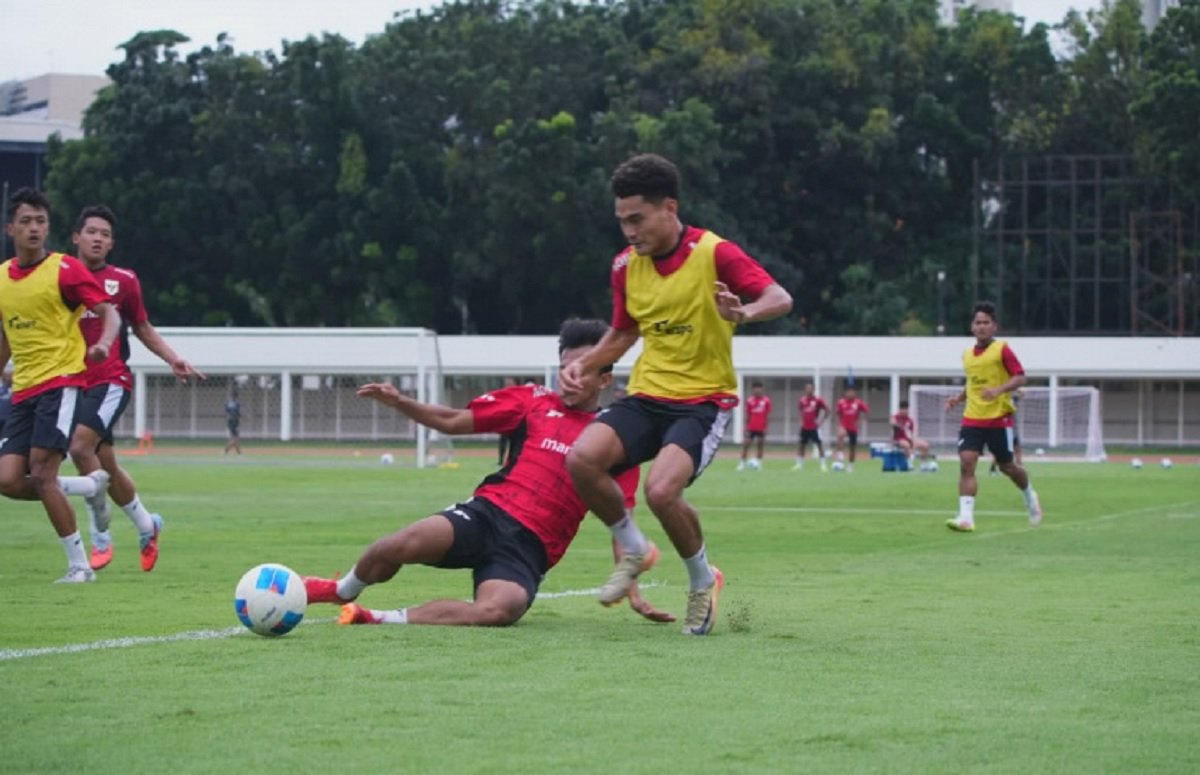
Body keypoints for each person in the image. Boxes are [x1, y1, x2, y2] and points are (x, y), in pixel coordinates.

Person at [303, 318, 673, 627]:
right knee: (395, 546)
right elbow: (452, 421)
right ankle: (341, 590)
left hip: (529, 550)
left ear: (605, 379)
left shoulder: (613, 440)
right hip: (486, 515)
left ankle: (374, 618)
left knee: (498, 611)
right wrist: (401, 401)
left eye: (582, 370)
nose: (569, 377)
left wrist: (633, 588)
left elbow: (620, 521)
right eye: (564, 368)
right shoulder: (531, 402)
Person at [560, 153, 793, 636]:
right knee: (582, 459)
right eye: (622, 221)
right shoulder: (625, 266)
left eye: (637, 219)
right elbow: (624, 334)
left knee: (662, 491)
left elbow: (779, 299)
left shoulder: (715, 253)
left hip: (704, 401)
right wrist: (584, 364)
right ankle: (635, 548)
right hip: (647, 394)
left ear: (669, 207)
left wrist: (742, 314)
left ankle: (702, 581)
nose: (628, 231)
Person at [67, 205, 206, 571]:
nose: (98, 238)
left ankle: (101, 537)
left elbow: (142, 327)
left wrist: (172, 358)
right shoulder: (60, 277)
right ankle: (147, 525)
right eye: (92, 231)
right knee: (106, 466)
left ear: (111, 244)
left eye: (105, 234)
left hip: (111, 380)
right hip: (71, 382)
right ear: (75, 237)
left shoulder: (123, 281)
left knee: (80, 447)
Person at [0, 188, 120, 582]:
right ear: (10, 228)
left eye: (41, 221)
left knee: (42, 470)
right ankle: (89, 486)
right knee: (9, 481)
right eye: (26, 221)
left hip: (61, 382)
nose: (34, 228)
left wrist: (102, 343)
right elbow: (6, 334)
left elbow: (108, 311)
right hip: (23, 390)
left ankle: (80, 566)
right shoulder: (2, 278)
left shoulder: (64, 269)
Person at [944, 301, 1042, 531]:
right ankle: (966, 518)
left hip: (999, 419)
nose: (981, 327)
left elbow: (1021, 378)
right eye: (978, 322)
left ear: (994, 327)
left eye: (986, 323)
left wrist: (998, 390)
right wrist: (959, 398)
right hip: (972, 418)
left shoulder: (1002, 350)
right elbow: (973, 384)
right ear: (972, 327)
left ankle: (1029, 495)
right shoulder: (967, 355)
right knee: (967, 462)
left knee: (1007, 467)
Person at [737, 380, 772, 471]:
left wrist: (766, 427)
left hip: (761, 427)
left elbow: (768, 415)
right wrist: (746, 427)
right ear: (753, 390)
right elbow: (747, 415)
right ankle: (741, 465)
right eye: (755, 389)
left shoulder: (766, 401)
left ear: (762, 389)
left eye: (759, 389)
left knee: (760, 446)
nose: (757, 391)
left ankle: (759, 465)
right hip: (751, 427)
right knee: (746, 445)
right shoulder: (750, 401)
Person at [793, 382, 828, 471]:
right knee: (801, 445)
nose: (809, 390)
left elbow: (827, 410)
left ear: (814, 389)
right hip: (804, 427)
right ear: (805, 390)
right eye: (807, 388)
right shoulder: (802, 400)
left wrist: (821, 421)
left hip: (814, 427)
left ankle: (823, 465)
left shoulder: (818, 400)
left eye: (810, 388)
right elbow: (800, 411)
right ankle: (799, 465)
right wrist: (801, 421)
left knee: (819, 445)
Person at [833, 387, 870, 472]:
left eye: (852, 392)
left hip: (853, 427)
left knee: (852, 447)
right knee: (840, 436)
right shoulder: (841, 402)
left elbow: (866, 411)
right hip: (843, 425)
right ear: (845, 393)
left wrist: (860, 421)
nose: (850, 394)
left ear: (855, 393)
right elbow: (837, 414)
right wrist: (839, 424)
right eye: (848, 392)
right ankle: (840, 456)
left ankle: (850, 465)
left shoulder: (858, 402)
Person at [989, 388, 1024, 475]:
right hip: (1003, 428)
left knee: (1017, 449)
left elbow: (1021, 393)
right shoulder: (999, 402)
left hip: (1012, 428)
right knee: (1000, 451)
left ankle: (1020, 468)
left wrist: (1017, 389)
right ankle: (993, 468)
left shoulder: (1012, 399)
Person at [890, 400, 931, 466]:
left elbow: (912, 434)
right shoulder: (895, 417)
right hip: (898, 440)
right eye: (903, 409)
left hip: (908, 440)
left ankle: (924, 464)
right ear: (900, 409)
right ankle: (909, 463)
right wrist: (899, 425)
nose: (905, 411)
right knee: (906, 445)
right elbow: (892, 423)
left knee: (925, 445)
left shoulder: (910, 420)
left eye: (906, 409)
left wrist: (913, 443)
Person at [496, 376, 518, 465]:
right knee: (502, 443)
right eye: (506, 384)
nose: (508, 385)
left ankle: (513, 461)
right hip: (505, 422)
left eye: (510, 383)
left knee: (515, 444)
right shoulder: (503, 395)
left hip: (515, 422)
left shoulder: (518, 395)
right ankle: (500, 461)